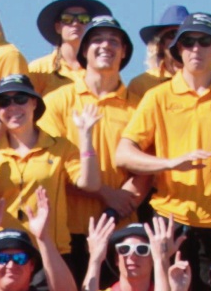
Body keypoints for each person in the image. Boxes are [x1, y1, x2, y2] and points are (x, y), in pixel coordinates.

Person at [115, 11, 211, 268]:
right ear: (178, 49)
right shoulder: (158, 96)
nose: (197, 49)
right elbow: (124, 154)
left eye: (205, 41)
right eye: (188, 42)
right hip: (167, 219)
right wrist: (169, 164)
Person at [37, 16, 153, 260]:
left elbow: (146, 168)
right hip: (65, 231)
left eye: (114, 41)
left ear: (124, 53)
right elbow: (50, 163)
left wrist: (116, 208)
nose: (106, 46)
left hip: (120, 233)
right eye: (97, 40)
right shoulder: (56, 102)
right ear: (84, 52)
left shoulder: (140, 106)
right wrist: (104, 192)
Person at [0, 72, 103, 258]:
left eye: (20, 99)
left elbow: (90, 184)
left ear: (34, 103)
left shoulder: (61, 147)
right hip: (5, 255)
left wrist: (86, 137)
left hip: (51, 252)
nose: (13, 107)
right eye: (4, 102)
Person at [27, 0, 109, 94]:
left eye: (83, 19)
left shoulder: (103, 69)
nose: (75, 24)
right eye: (67, 19)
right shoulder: (39, 69)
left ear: (91, 26)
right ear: (58, 27)